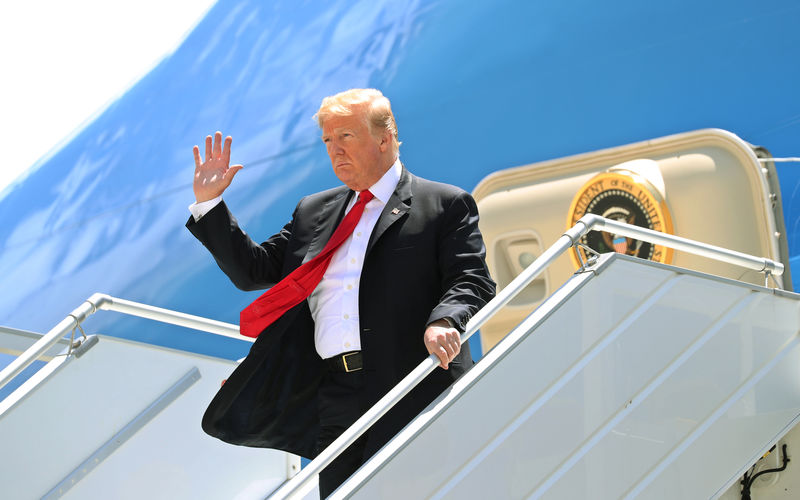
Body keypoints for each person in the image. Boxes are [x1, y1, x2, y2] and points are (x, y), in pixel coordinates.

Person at [186, 88, 495, 497]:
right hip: (335, 395)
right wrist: (211, 205)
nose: (334, 151)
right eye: (328, 141)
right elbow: (254, 270)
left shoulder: (443, 204)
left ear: (385, 138)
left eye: (345, 136)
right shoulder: (314, 211)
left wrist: (444, 319)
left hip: (412, 383)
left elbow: (471, 278)